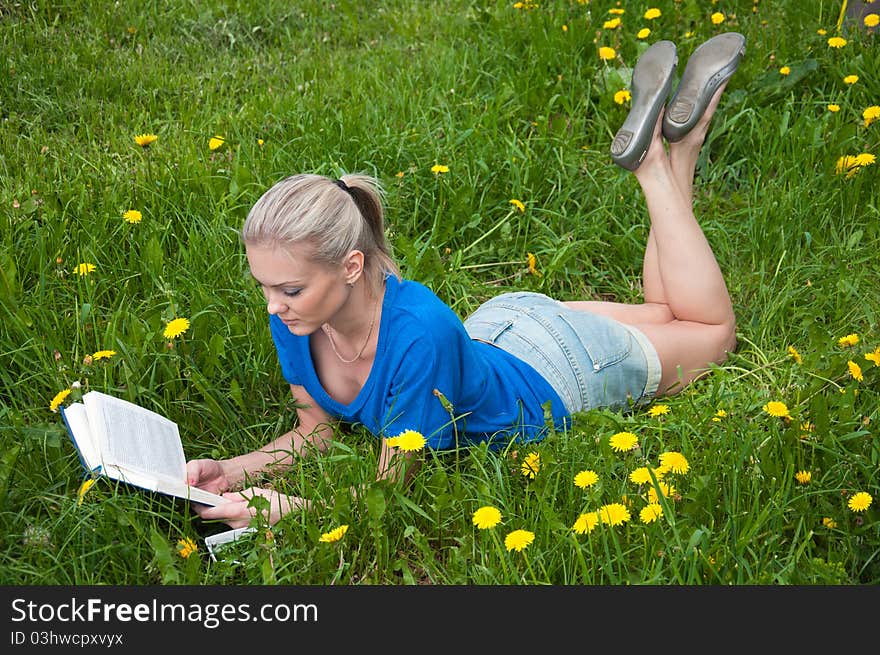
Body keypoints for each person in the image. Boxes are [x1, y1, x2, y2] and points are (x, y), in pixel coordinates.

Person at [188, 34, 745, 529]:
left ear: (352, 267)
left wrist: (282, 509)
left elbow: (386, 496)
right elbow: (315, 430)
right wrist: (232, 470)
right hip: (498, 329)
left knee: (710, 330)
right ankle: (682, 145)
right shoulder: (299, 317)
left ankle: (653, 165)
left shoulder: (415, 334)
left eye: (289, 290)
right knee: (672, 313)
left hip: (559, 370)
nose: (273, 307)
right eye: (264, 287)